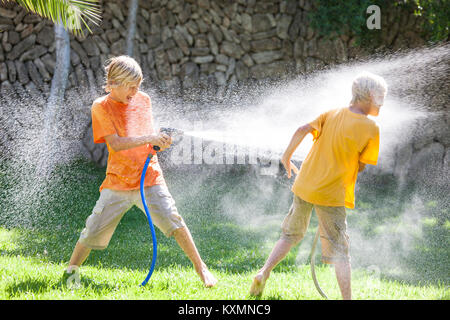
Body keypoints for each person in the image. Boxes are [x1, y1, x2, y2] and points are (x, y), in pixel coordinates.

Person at [62, 55, 217, 288]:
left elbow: (147, 137)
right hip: (119, 182)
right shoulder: (101, 106)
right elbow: (115, 143)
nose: (135, 91)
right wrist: (150, 138)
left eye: (138, 86)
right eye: (131, 86)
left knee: (173, 219)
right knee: (92, 228)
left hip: (149, 177)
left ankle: (201, 268)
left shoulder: (143, 100)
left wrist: (159, 143)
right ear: (114, 83)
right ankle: (71, 270)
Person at [250, 72, 387, 300]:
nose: (383, 102)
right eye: (381, 97)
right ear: (370, 96)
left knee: (289, 235)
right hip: (331, 195)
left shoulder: (331, 113)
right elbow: (361, 166)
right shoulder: (371, 128)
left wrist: (287, 157)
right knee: (341, 252)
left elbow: (302, 130)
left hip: (304, 186)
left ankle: (264, 272)